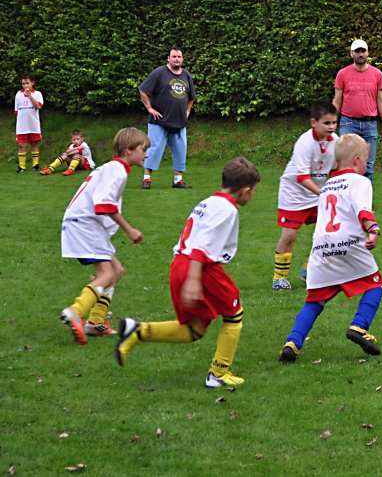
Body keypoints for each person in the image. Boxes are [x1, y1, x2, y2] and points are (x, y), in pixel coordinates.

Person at [116, 158, 260, 388]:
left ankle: (138, 331)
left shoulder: (208, 202)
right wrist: (193, 280)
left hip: (180, 264)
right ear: (245, 191)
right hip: (200, 267)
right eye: (253, 192)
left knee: (195, 329)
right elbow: (202, 246)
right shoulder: (227, 209)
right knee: (234, 314)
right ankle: (218, 374)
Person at [279, 134, 382, 362]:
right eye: (366, 160)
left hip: (321, 248)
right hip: (348, 244)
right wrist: (374, 230)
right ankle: (359, 327)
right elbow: (363, 210)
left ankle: (292, 342)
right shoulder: (360, 181)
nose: (367, 164)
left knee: (314, 301)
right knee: (376, 285)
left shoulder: (327, 186)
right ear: (357, 160)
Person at [59, 127, 149, 344]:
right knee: (107, 274)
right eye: (143, 150)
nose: (146, 155)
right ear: (128, 150)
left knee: (117, 271)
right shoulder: (117, 170)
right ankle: (75, 311)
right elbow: (104, 205)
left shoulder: (112, 168)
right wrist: (129, 229)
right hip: (85, 225)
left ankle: (95, 321)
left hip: (83, 224)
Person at [272, 102, 339, 291]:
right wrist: (324, 193)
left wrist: (334, 189)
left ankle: (309, 270)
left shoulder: (335, 141)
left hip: (318, 193)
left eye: (334, 123)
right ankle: (279, 279)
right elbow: (301, 177)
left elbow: (334, 170)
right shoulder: (305, 142)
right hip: (294, 193)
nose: (331, 127)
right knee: (290, 235)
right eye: (327, 123)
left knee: (329, 231)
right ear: (313, 122)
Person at [332, 39, 382, 183]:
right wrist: (332, 122)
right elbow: (337, 100)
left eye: (363, 51)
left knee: (368, 167)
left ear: (367, 53)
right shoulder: (342, 74)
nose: (360, 54)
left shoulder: (376, 74)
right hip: (348, 123)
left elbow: (381, 101)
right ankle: (344, 194)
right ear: (351, 54)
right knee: (345, 164)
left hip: (369, 125)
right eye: (357, 51)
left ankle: (365, 196)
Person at [139, 46, 196, 189]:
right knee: (153, 149)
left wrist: (187, 111)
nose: (177, 59)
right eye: (174, 57)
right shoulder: (159, 73)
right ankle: (146, 179)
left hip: (179, 122)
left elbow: (191, 97)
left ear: (182, 59)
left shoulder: (186, 75)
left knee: (180, 151)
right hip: (159, 121)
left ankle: (178, 180)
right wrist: (149, 108)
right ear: (168, 58)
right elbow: (143, 90)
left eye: (179, 57)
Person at [14, 73, 44, 173]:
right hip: (22, 125)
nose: (25, 86)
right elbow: (16, 111)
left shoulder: (37, 94)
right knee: (21, 145)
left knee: (34, 144)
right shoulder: (18, 94)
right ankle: (22, 167)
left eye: (27, 83)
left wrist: (30, 96)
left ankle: (35, 165)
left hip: (33, 125)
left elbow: (38, 106)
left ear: (32, 83)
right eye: (23, 84)